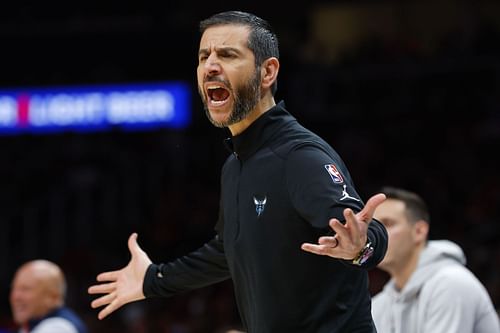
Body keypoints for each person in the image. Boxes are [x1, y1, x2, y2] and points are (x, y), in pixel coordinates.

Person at [88, 10, 388, 332]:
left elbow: (360, 231)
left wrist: (361, 249)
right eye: (204, 56)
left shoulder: (299, 155)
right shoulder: (235, 164)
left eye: (228, 55)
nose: (211, 66)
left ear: (267, 72)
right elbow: (227, 250)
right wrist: (155, 279)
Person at [371, 186, 500, 333]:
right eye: (373, 228)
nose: (377, 236)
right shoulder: (379, 305)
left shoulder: (451, 283)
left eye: (387, 224)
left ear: (419, 231)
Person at [10, 260, 88, 333]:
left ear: (53, 297)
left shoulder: (58, 327)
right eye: (14, 288)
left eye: (25, 289)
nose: (16, 296)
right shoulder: (32, 323)